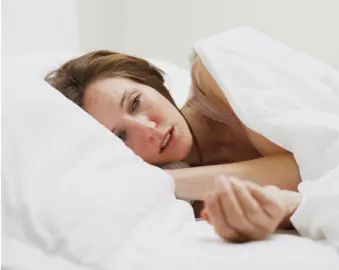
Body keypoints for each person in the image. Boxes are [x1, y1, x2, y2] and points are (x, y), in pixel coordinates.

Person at [46, 50, 303, 243]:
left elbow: (307, 165)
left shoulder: (214, 81)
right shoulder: (191, 204)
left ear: (152, 83)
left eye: (135, 103)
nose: (149, 130)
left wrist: (163, 178)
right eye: (122, 136)